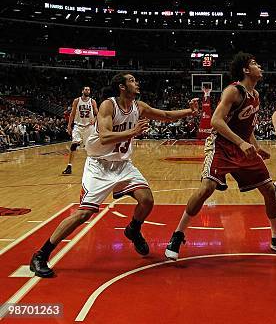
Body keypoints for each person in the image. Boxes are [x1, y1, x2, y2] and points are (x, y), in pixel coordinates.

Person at [30, 73, 199, 277]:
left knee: (146, 200)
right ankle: (41, 255)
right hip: (99, 167)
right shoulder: (108, 106)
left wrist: (190, 111)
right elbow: (105, 136)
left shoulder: (139, 106)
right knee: (84, 214)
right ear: (121, 86)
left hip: (122, 165)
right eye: (132, 80)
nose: (136, 83)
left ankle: (133, 230)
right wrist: (133, 132)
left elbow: (166, 115)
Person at [165, 53, 276, 260]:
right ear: (245, 70)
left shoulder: (255, 95)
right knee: (206, 188)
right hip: (222, 146)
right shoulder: (233, 91)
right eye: (254, 63)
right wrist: (241, 142)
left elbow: (247, 128)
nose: (259, 66)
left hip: (243, 148)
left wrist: (256, 147)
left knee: (270, 189)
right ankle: (177, 234)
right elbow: (216, 121)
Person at [62, 86, 98, 175]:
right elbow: (72, 113)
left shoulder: (92, 101)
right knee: (74, 145)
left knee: (91, 148)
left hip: (89, 127)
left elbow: (98, 113)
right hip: (78, 126)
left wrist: (95, 119)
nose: (87, 90)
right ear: (82, 91)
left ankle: (94, 167)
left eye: (89, 89)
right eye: (86, 89)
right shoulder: (77, 101)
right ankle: (69, 167)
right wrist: (69, 126)